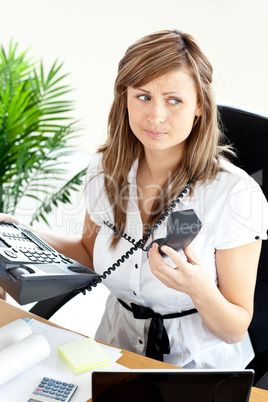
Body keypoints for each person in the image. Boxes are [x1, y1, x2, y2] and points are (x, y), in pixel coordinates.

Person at [0, 29, 267, 370]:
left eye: (174, 100)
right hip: (116, 352)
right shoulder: (105, 168)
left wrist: (199, 288)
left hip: (199, 367)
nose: (155, 117)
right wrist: (22, 232)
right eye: (143, 97)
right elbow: (88, 251)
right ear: (124, 97)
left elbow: (233, 329)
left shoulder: (234, 193)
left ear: (199, 105)